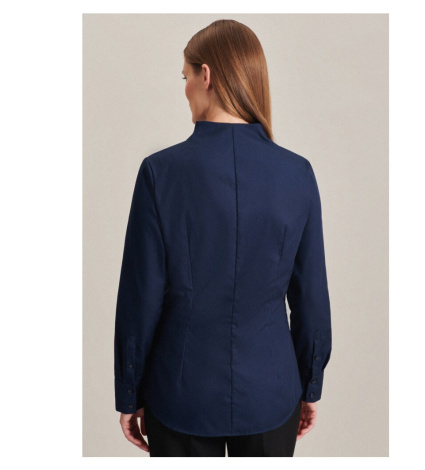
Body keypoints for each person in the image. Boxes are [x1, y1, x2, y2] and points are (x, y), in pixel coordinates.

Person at [114, 19, 332, 457]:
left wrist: (130, 391)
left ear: (206, 75)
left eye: (185, 77)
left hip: (179, 395)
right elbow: (310, 297)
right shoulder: (297, 174)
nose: (185, 89)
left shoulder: (159, 173)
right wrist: (309, 384)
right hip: (271, 393)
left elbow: (140, 297)